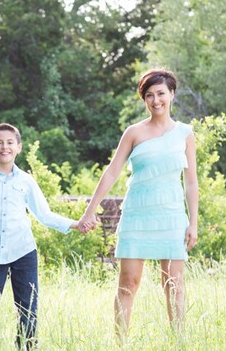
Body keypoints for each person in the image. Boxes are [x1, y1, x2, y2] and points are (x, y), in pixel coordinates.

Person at [78, 68, 198, 337]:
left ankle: (179, 343)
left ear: (172, 95)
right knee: (128, 284)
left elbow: (191, 182)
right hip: (137, 216)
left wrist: (194, 223)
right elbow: (111, 172)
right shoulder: (134, 132)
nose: (156, 100)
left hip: (172, 216)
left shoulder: (185, 134)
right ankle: (121, 346)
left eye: (161, 94)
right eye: (150, 95)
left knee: (174, 284)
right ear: (144, 99)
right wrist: (89, 211)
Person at [0, 123, 81, 351]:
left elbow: (44, 214)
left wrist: (74, 224)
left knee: (28, 308)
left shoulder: (26, 181)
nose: (4, 147)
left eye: (9, 143)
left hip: (24, 252)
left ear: (18, 147)